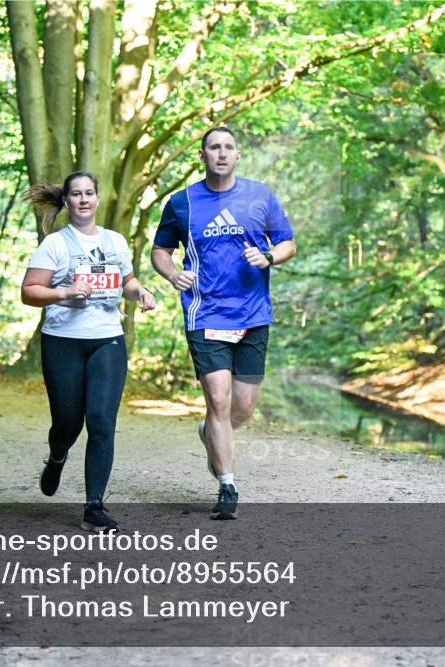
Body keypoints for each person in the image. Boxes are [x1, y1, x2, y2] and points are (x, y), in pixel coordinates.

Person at [150, 127, 295, 520]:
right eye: (214, 147)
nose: (222, 153)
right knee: (218, 400)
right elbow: (160, 250)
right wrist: (170, 274)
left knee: (243, 408)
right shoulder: (182, 203)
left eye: (228, 147)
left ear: (238, 155)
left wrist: (269, 256)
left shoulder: (260, 195)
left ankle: (209, 433)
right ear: (202, 156)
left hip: (253, 314)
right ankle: (227, 485)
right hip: (205, 312)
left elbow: (287, 242)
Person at [21, 171, 156, 533]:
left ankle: (94, 506)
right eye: (76, 194)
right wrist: (65, 292)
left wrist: (140, 292)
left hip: (107, 338)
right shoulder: (55, 245)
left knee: (100, 421)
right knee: (68, 423)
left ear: (97, 199)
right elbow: (30, 291)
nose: (83, 199)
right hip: (63, 341)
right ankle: (57, 455)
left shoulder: (115, 241)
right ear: (66, 201)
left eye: (89, 193)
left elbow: (126, 281)